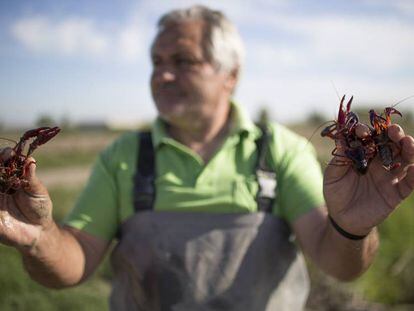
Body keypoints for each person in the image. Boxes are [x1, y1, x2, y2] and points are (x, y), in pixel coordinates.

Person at [1, 5, 413, 311]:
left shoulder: (284, 151)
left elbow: (339, 265)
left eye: (183, 61)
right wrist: (39, 238)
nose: (162, 75)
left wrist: (351, 228)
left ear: (230, 75)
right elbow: (73, 265)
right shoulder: (122, 156)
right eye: (157, 62)